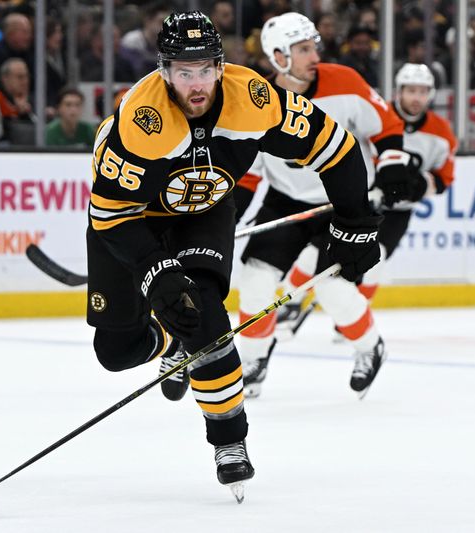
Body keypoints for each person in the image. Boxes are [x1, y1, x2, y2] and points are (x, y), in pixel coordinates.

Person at [86, 11, 380, 498]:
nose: (195, 83)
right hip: (130, 223)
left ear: (221, 67)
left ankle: (229, 442)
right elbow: (112, 215)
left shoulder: (256, 101)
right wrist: (157, 272)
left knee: (203, 312)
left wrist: (355, 224)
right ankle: (168, 339)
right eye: (183, 71)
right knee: (115, 353)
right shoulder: (141, 120)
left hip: (205, 208)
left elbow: (338, 149)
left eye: (205, 69)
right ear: (164, 72)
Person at [232, 12, 407, 399]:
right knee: (256, 282)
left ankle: (369, 346)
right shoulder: (257, 100)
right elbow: (248, 173)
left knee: (331, 285)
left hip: (339, 202)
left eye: (314, 47)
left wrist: (392, 167)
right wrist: (227, 214)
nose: (315, 56)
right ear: (279, 56)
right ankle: (255, 360)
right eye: (304, 49)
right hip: (285, 203)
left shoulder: (344, 81)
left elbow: (387, 126)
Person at [359, 63, 458, 303]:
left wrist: (419, 186)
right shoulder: (378, 117)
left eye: (423, 91)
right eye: (411, 90)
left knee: (376, 260)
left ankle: (354, 316)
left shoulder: (441, 131)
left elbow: (444, 178)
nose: (417, 97)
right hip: (362, 204)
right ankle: (296, 302)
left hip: (398, 213)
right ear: (399, 91)